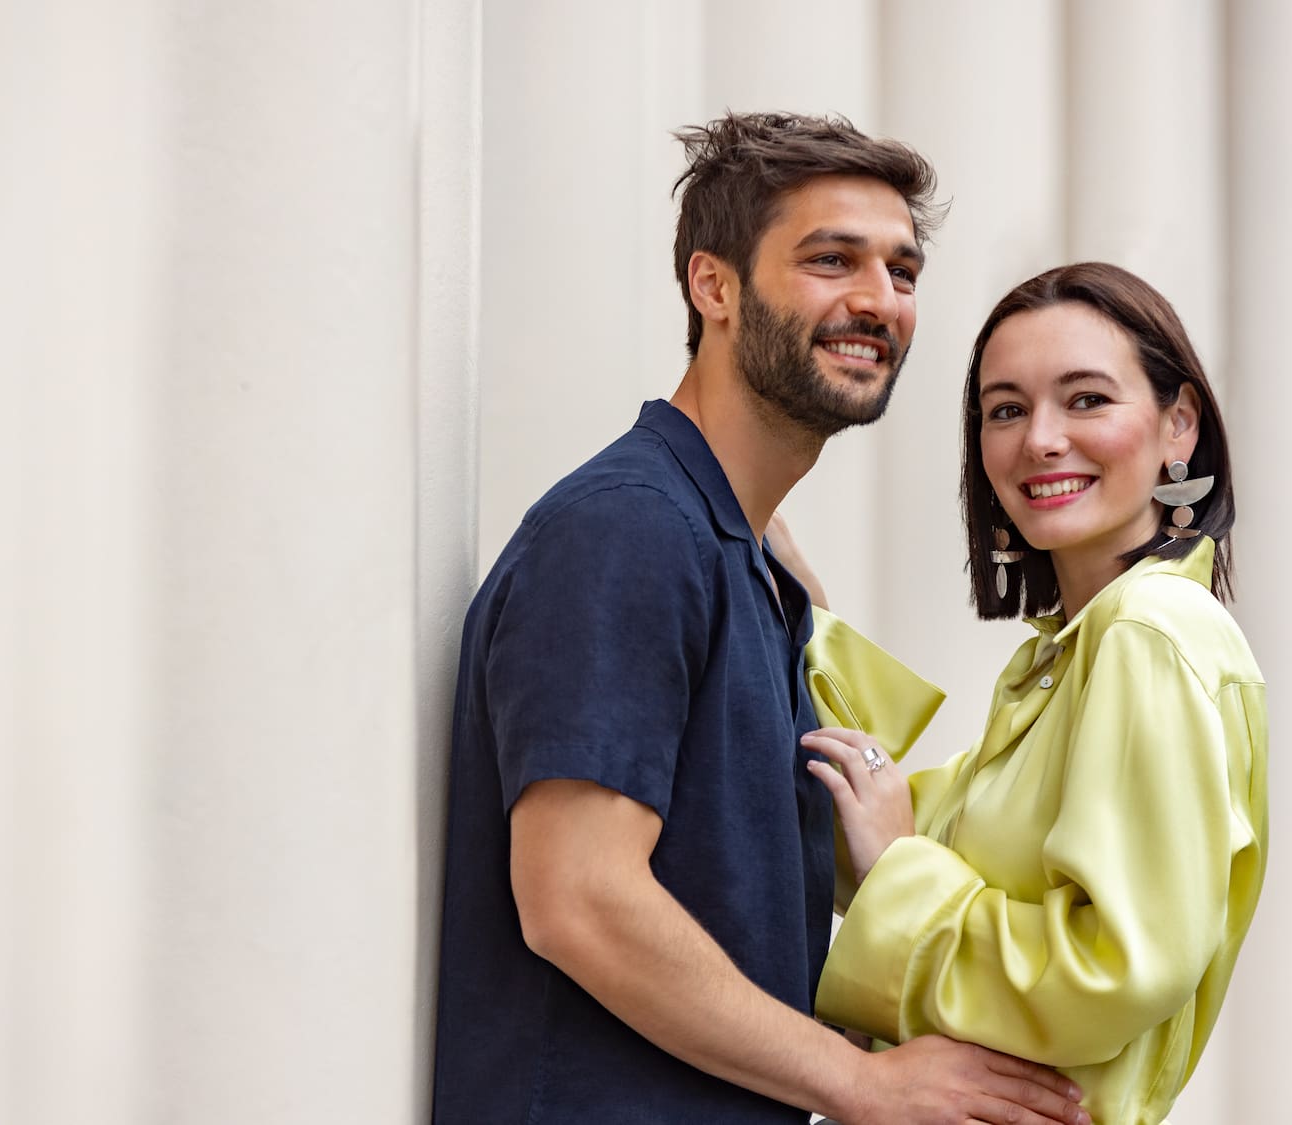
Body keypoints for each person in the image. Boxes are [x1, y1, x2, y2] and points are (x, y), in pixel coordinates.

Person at [431, 112, 1091, 1125]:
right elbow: (576, 897)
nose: (878, 299)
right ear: (715, 286)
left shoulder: (732, 555)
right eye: (831, 260)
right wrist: (859, 1083)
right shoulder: (628, 530)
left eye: (902, 271)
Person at [796, 263, 1268, 1125]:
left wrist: (899, 870)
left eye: (1086, 400)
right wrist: (798, 617)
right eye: (1006, 410)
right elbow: (879, 825)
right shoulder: (1074, 653)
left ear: (1179, 424)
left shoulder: (1148, 634)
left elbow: (1116, 964)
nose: (1041, 440)